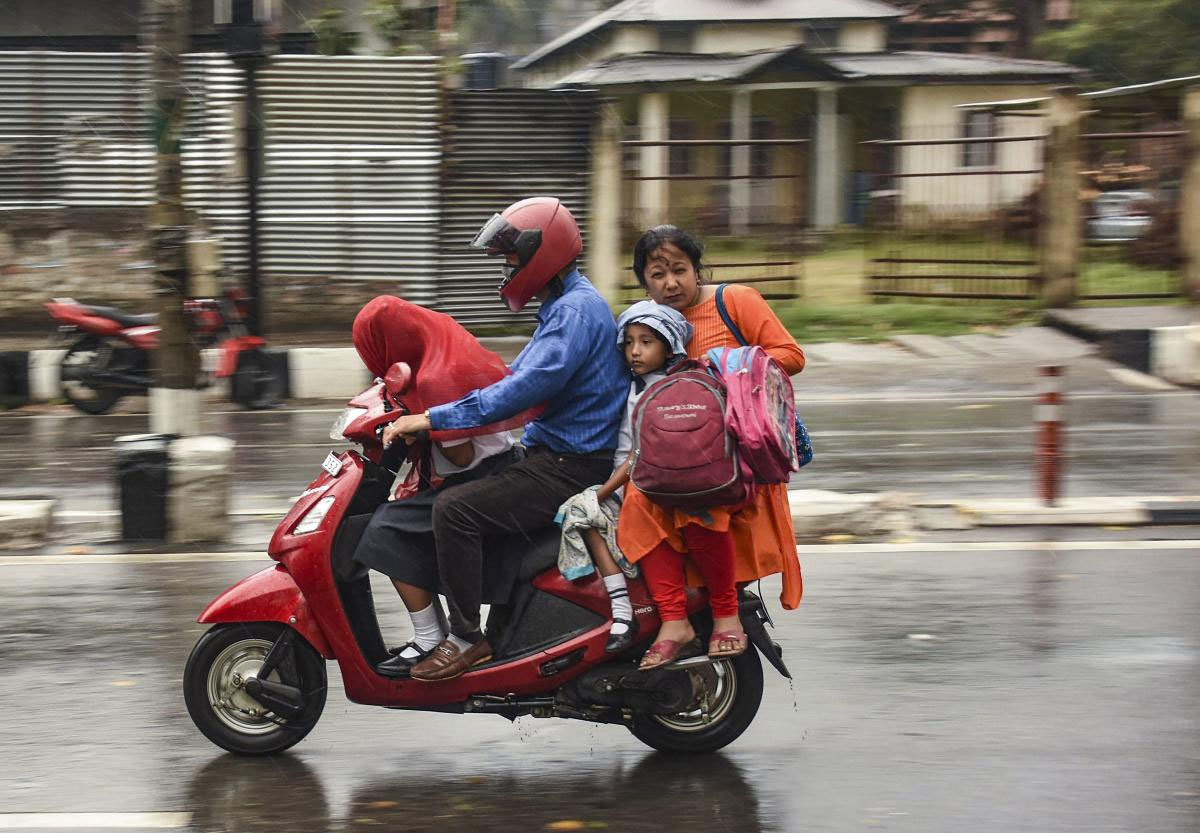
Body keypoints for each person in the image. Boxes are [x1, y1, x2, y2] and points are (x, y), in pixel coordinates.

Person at [384, 197, 628, 682]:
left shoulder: (575, 313)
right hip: (548, 456)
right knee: (450, 495)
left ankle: (464, 638)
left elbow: (521, 390)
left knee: (455, 510)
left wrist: (432, 418)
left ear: (544, 253)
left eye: (512, 256)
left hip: (569, 466)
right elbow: (512, 376)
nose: (507, 266)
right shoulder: (563, 306)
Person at [616, 224, 806, 670]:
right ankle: (673, 620)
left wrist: (723, 367)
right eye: (657, 275)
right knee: (637, 505)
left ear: (697, 269)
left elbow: (792, 355)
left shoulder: (734, 302)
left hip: (735, 458)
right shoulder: (648, 324)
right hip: (675, 457)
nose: (670, 284)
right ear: (644, 281)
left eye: (679, 270)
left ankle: (724, 617)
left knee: (700, 510)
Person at [349, 296, 538, 676]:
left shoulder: (435, 379)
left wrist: (420, 426)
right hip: (495, 462)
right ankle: (433, 633)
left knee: (383, 530)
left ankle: (432, 636)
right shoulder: (438, 350)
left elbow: (462, 456)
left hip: (478, 474)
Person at [555, 300, 693, 655]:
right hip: (625, 479)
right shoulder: (636, 384)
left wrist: (602, 493)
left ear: (669, 346)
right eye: (629, 341)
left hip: (638, 485)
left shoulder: (659, 392)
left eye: (647, 342)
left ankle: (621, 610)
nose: (634, 351)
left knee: (582, 513)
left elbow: (637, 457)